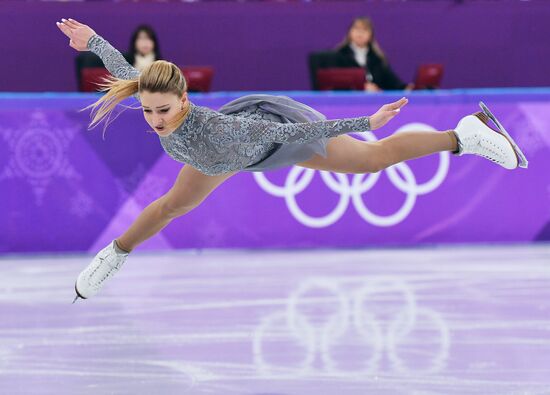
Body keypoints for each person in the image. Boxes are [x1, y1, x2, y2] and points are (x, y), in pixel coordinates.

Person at [56, 18, 526, 303]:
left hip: (274, 138)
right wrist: (93, 39)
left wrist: (365, 122)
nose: (155, 120)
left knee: (372, 160)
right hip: (221, 159)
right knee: (169, 206)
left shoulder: (223, 128)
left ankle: (462, 136)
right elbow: (123, 71)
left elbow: (296, 132)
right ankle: (113, 256)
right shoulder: (152, 99)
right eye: (148, 111)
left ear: (183, 100)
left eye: (163, 110)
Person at [336, 17, 414, 92]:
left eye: (365, 29)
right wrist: (362, 87)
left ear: (371, 35)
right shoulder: (338, 56)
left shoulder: (377, 58)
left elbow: (392, 82)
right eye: (356, 28)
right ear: (349, 32)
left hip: (374, 102)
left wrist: (407, 88)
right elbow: (335, 83)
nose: (360, 33)